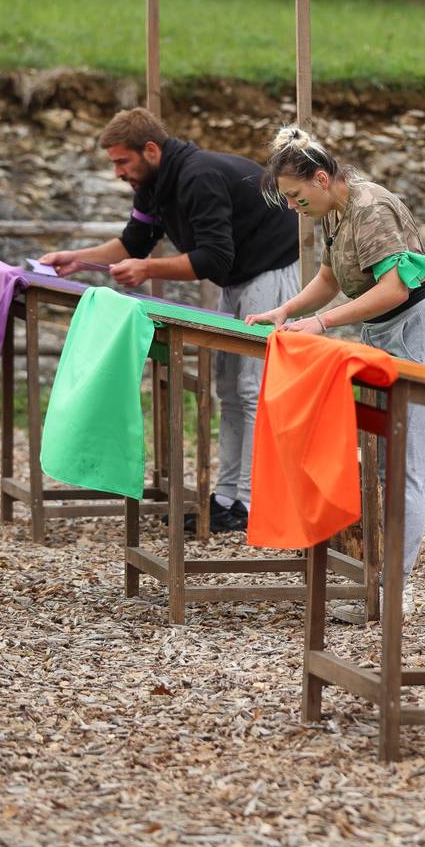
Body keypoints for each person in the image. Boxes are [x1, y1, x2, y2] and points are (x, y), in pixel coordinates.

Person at [40, 108, 299, 534]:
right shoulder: (153, 183)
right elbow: (132, 242)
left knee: (251, 389)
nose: (119, 172)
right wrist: (79, 259)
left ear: (151, 149)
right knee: (229, 389)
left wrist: (147, 270)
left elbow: (214, 257)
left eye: (122, 161)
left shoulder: (198, 177)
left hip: (272, 270)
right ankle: (227, 497)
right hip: (240, 277)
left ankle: (250, 501)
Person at [245, 125, 425, 617]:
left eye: (298, 197)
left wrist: (321, 323)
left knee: (404, 469)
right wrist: (286, 311)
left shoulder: (371, 207)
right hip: (384, 339)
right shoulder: (335, 211)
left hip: (423, 337)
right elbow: (329, 278)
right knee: (381, 466)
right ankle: (375, 586)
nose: (295, 208)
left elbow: (393, 289)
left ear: (322, 178)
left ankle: (394, 593)